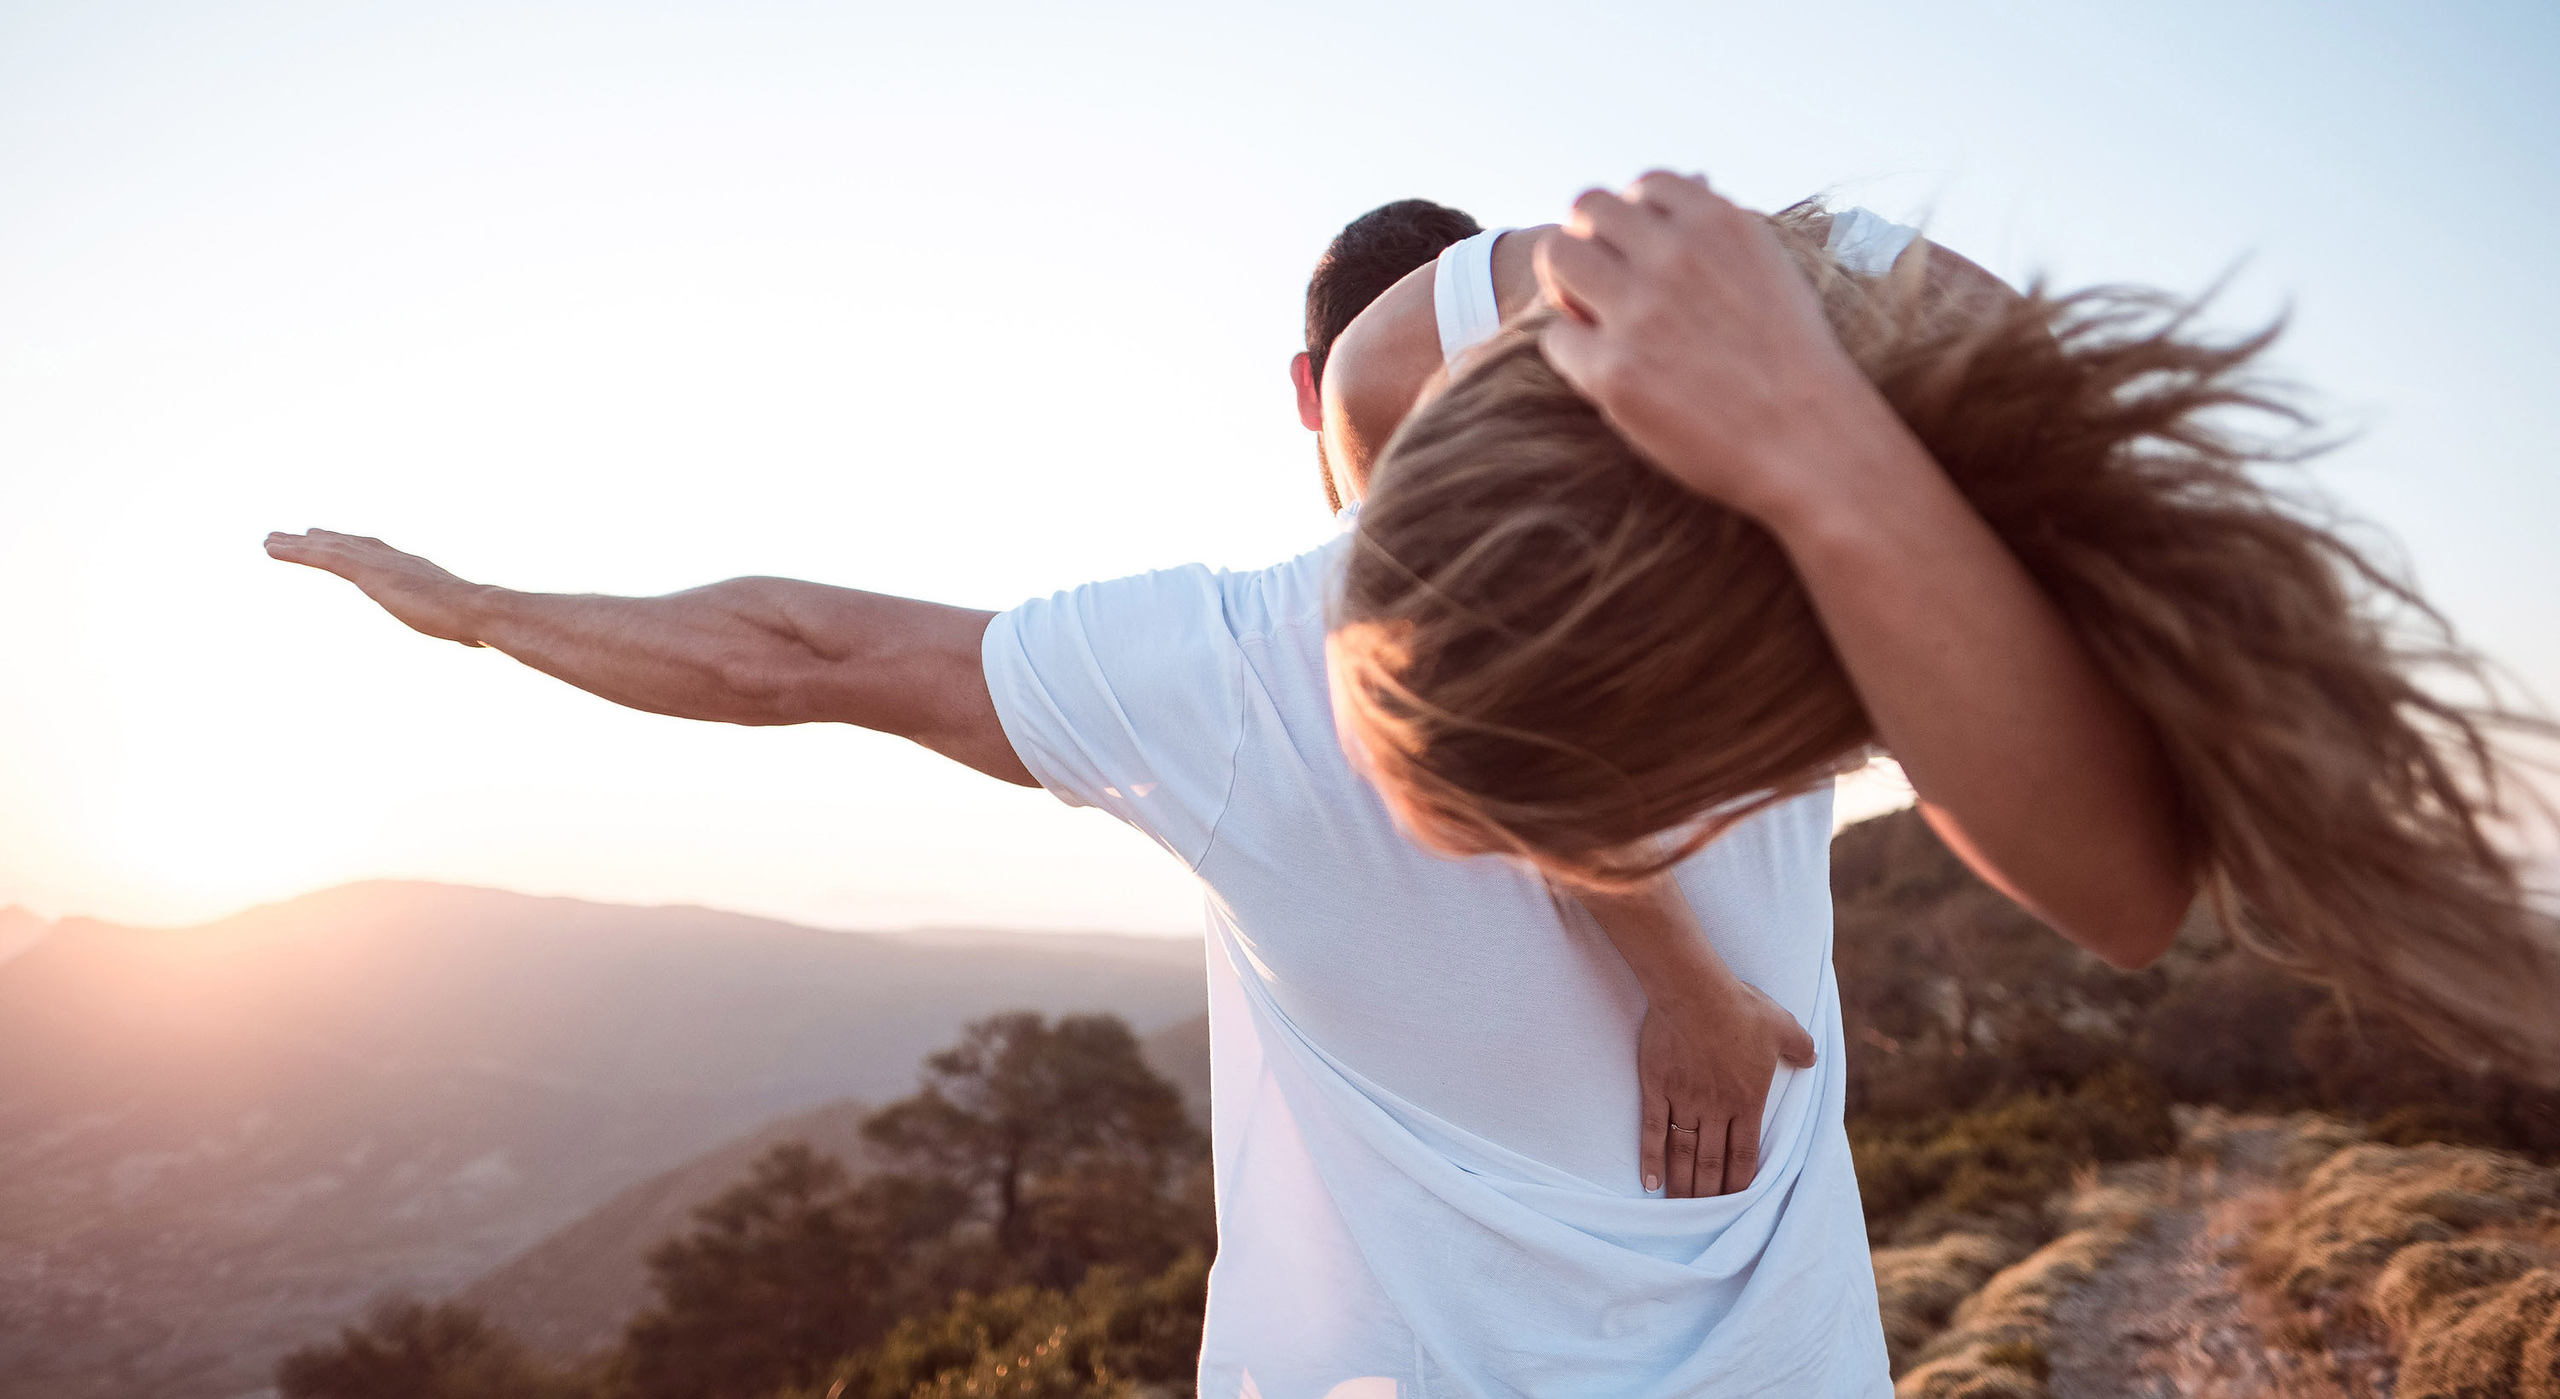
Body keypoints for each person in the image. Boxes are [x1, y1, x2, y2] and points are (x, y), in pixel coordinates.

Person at [268, 181, 2118, 1394]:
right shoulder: (1776, 586)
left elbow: (795, 652)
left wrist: (489, 612)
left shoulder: (1231, 669)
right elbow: (2039, 440)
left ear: (1307, 389)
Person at [1331, 172, 2560, 1077]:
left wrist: (1820, 460)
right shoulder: (1386, 368)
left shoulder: (1993, 478)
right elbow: (2131, 910)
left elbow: (2118, 896)